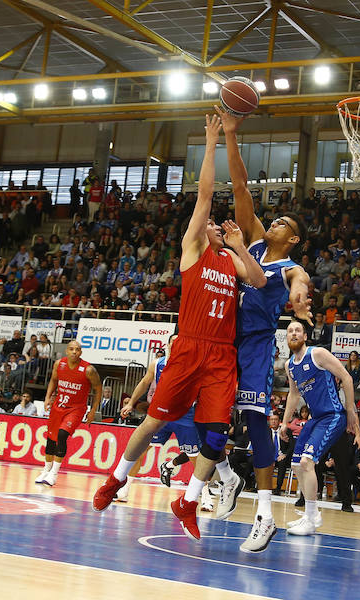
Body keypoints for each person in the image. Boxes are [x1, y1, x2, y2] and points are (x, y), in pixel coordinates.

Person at [92, 114, 267, 543]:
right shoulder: (193, 249)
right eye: (211, 223)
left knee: (217, 432)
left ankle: (188, 500)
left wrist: (240, 245)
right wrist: (211, 142)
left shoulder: (231, 259)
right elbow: (206, 193)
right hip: (189, 346)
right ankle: (116, 480)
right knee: (153, 422)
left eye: (215, 225)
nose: (215, 223)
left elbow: (260, 281)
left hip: (221, 353)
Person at [216, 108, 312, 553]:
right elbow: (239, 186)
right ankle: (224, 477)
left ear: (292, 239)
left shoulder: (290, 264)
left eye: (284, 225)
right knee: (204, 413)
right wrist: (231, 136)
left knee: (255, 423)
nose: (274, 223)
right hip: (223, 340)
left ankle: (265, 515)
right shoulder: (251, 239)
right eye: (276, 220)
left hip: (254, 348)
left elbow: (300, 283)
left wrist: (299, 298)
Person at [280, 320, 360, 536]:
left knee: (307, 462)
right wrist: (285, 422)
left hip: (333, 415)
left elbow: (346, 377)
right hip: (315, 419)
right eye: (290, 331)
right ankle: (309, 515)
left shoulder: (317, 354)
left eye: (298, 330)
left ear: (305, 336)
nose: (294, 333)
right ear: (287, 338)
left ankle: (312, 516)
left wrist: (350, 409)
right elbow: (294, 395)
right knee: (296, 465)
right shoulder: (290, 365)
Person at [119, 335, 201, 502]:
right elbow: (144, 382)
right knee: (140, 450)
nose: (177, 344)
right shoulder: (157, 363)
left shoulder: (194, 363)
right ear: (168, 344)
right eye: (174, 341)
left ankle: (204, 496)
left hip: (185, 414)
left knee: (195, 457)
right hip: (160, 413)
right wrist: (131, 403)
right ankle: (124, 490)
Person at [35, 340, 102, 487]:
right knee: (51, 439)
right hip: (58, 406)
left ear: (81, 352)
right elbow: (53, 380)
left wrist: (93, 410)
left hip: (76, 409)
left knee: (62, 435)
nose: (74, 352)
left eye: (77, 349)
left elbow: (98, 389)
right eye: (71, 349)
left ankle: (54, 473)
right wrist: (47, 397)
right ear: (66, 351)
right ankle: (45, 470)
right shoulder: (59, 364)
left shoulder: (88, 370)